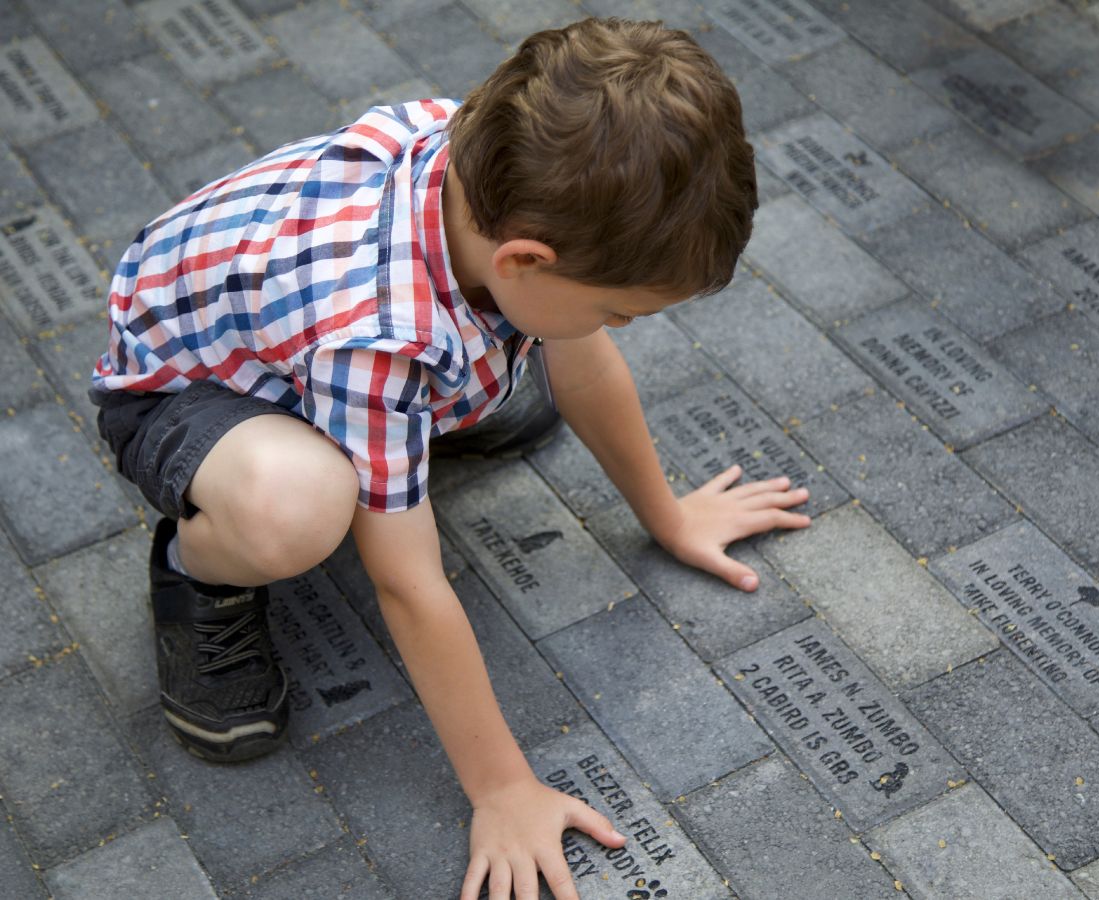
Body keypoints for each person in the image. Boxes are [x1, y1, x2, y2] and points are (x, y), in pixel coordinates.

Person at [89, 17, 812, 899]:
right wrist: (502, 789)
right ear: (524, 259)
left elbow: (580, 360)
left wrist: (667, 513)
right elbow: (409, 583)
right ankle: (197, 563)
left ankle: (422, 419)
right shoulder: (377, 336)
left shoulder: (498, 162)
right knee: (301, 509)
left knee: (518, 357)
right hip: (180, 393)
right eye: (619, 310)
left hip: (316, 342)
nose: (617, 328)